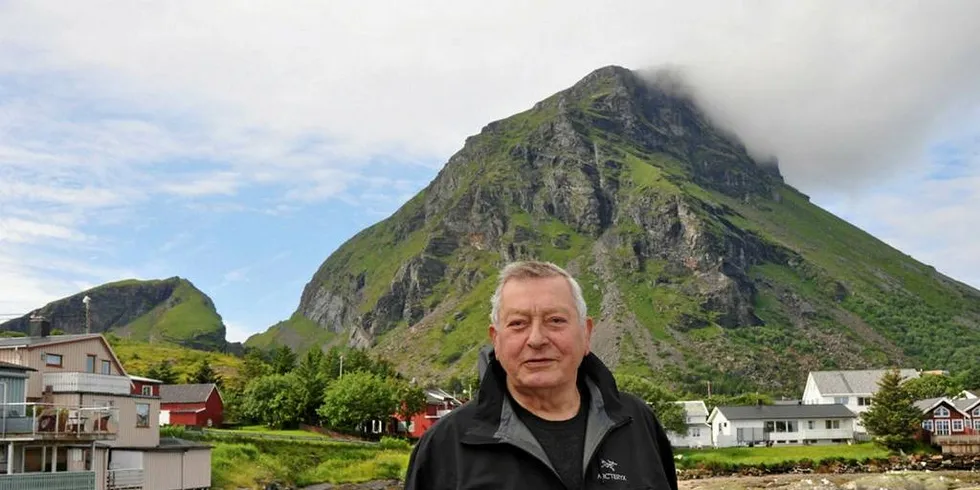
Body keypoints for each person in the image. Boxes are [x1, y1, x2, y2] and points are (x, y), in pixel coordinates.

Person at [404, 260, 678, 489]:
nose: (536, 339)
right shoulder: (445, 445)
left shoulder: (637, 423)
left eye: (555, 321)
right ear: (496, 340)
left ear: (586, 334)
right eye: (518, 324)